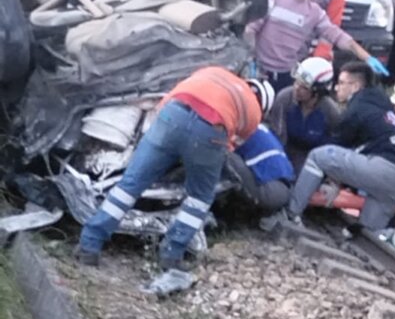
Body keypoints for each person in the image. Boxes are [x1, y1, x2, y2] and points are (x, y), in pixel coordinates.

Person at [76, 70, 274, 269]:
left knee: (130, 184)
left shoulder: (217, 72)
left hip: (172, 113)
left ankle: (89, 245)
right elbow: (228, 149)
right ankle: (171, 256)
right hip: (210, 131)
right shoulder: (254, 112)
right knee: (199, 199)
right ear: (263, 105)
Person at [279, 60, 395, 234]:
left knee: (317, 156)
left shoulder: (357, 108)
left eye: (342, 83)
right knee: (366, 235)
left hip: (382, 168)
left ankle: (291, 212)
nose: (336, 88)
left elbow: (336, 147)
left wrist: (332, 181)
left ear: (356, 86)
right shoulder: (382, 106)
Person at [246, 0, 387, 93]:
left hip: (287, 77)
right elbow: (251, 29)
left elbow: (337, 36)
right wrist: (251, 60)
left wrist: (367, 58)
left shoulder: (314, 12)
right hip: (259, 73)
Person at [269, 56, 340, 173]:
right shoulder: (285, 98)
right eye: (296, 82)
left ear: (318, 92)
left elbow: (332, 150)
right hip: (285, 155)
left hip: (314, 163)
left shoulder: (331, 112)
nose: (296, 88)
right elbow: (278, 136)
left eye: (304, 87)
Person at [225, 124, 295, 215]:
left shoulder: (241, 129)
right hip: (287, 188)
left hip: (270, 190)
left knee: (221, 149)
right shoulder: (258, 126)